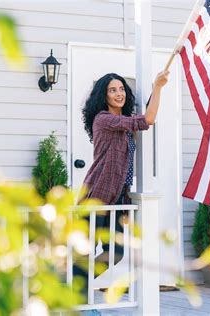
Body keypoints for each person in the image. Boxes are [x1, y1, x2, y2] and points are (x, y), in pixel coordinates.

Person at [75, 71, 169, 314]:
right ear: (103, 96)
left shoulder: (124, 123)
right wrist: (158, 87)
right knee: (84, 253)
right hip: (96, 196)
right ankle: (79, 303)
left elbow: (145, 118)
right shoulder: (104, 119)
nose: (119, 94)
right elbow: (147, 120)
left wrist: (154, 92)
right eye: (112, 90)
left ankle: (76, 292)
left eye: (122, 90)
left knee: (114, 253)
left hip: (118, 198)